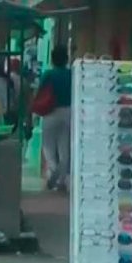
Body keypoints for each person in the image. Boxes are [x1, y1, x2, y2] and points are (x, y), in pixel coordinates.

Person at [40, 45, 74, 191]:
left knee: (48, 145)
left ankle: (53, 171)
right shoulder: (72, 74)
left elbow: (40, 93)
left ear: (52, 59)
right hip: (69, 112)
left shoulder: (48, 74)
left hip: (50, 112)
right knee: (64, 147)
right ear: (66, 60)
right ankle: (61, 180)